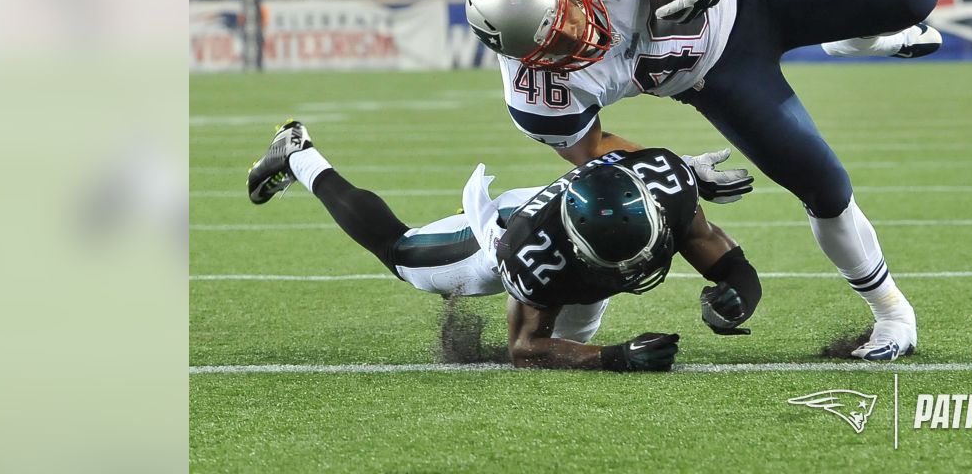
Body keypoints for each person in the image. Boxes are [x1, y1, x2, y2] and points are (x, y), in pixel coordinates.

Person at [464, 0, 941, 360]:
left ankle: (860, 39)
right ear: (524, 56)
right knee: (827, 187)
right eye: (554, 45)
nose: (574, 35)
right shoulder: (536, 96)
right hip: (718, 78)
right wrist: (677, 170)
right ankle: (893, 314)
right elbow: (592, 149)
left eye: (564, 14)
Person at [246, 120, 762, 371]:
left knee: (576, 331)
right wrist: (614, 357)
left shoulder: (669, 188)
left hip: (575, 242)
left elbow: (728, 261)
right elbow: (526, 348)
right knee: (400, 253)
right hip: (508, 230)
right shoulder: (531, 252)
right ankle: (298, 154)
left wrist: (739, 296)